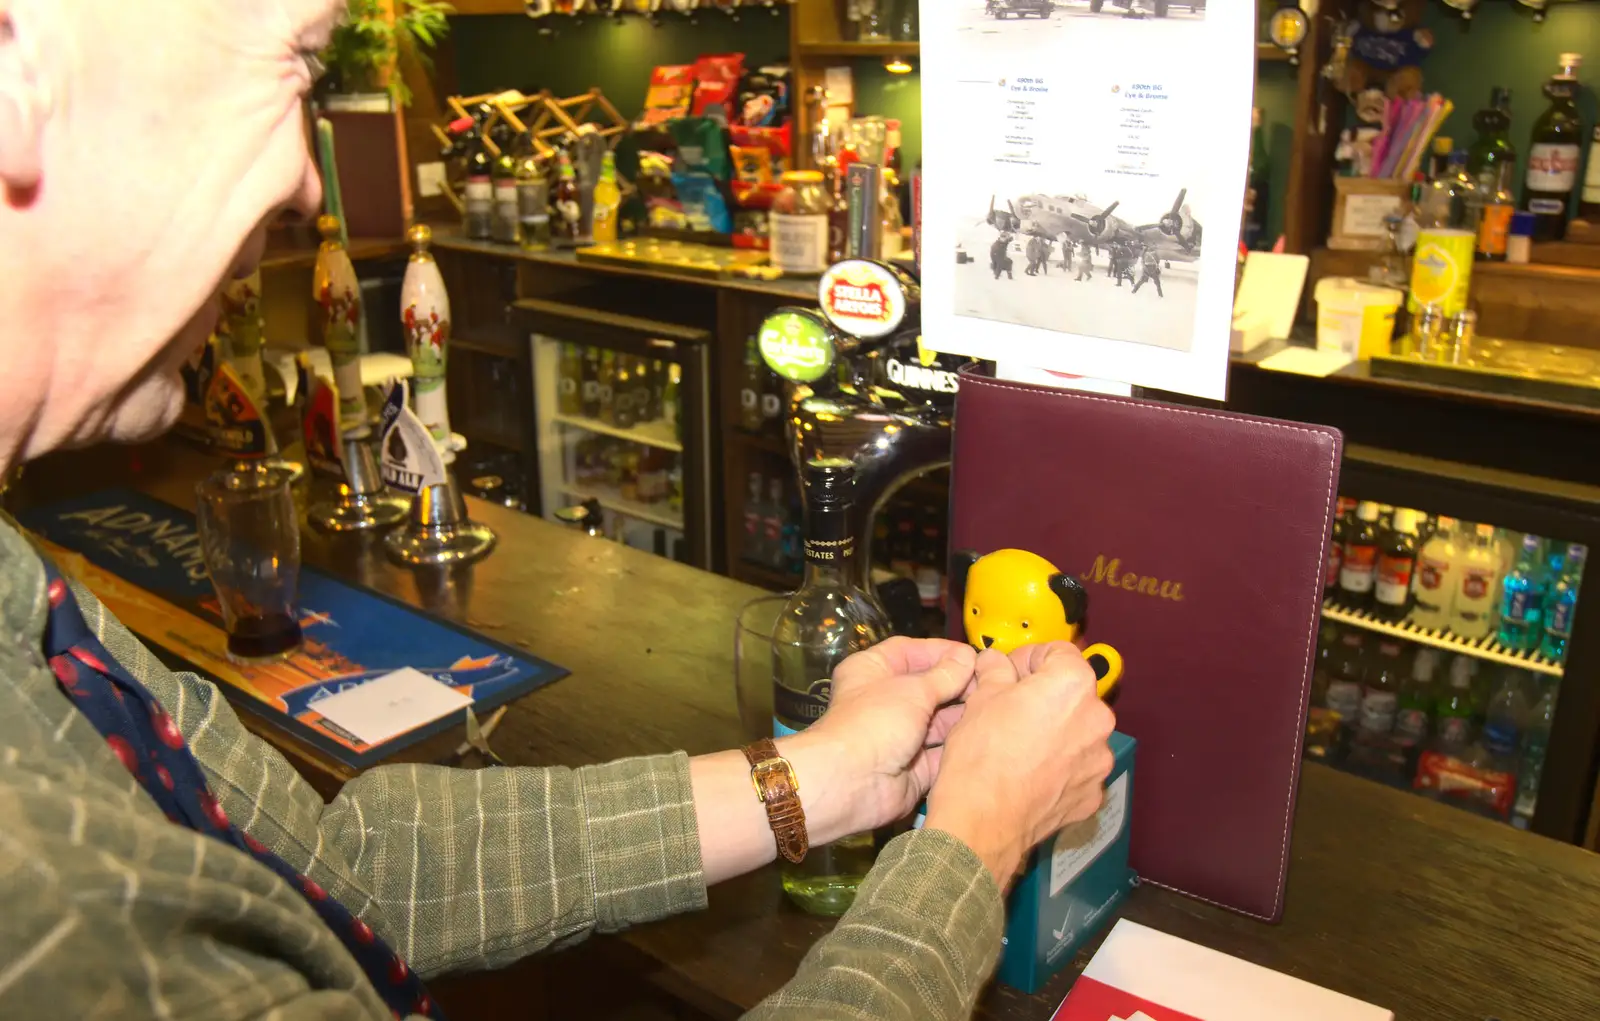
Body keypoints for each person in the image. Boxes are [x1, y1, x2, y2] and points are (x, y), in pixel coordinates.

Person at [0, 3, 1118, 1020]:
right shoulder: (54, 905)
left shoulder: (25, 602)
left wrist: (825, 775)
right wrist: (975, 842)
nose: (307, 180)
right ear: (15, 69)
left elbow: (328, 866)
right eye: (294, 64)